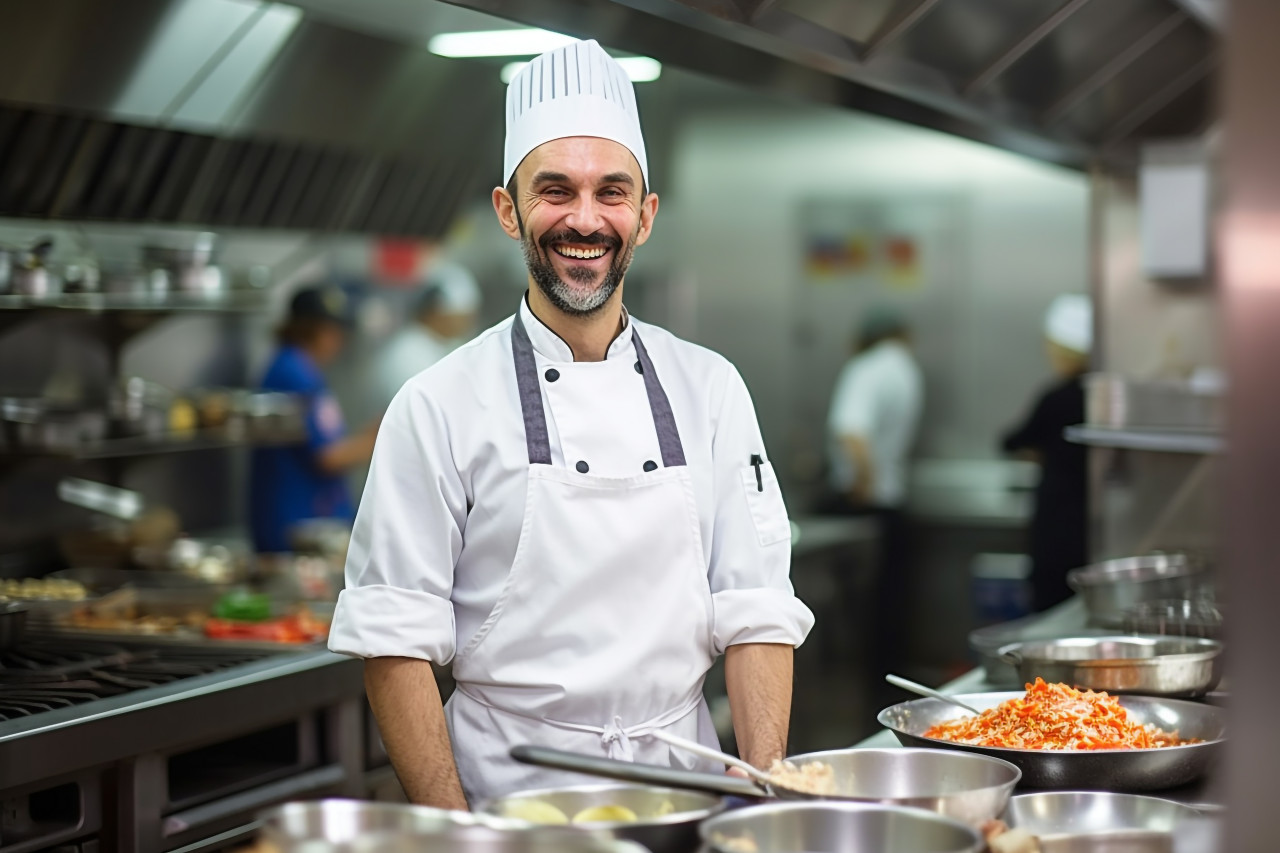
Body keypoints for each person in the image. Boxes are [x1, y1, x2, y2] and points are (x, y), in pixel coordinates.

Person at [328, 40, 814, 808]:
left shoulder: (711, 388)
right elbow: (394, 643)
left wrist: (767, 787)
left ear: (645, 215)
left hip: (682, 790)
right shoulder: (437, 404)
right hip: (507, 797)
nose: (585, 219)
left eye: (611, 192)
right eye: (554, 189)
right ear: (507, 209)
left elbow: (756, 610)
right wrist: (458, 832)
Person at [820, 307, 923, 679]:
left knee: (855, 609)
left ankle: (846, 682)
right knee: (889, 606)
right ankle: (884, 683)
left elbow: (851, 430)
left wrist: (863, 480)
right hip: (894, 504)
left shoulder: (866, 369)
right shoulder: (907, 370)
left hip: (865, 503)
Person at [249, 285, 380, 553]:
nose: (338, 340)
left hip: (311, 522)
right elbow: (328, 456)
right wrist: (381, 436)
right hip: (295, 528)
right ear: (308, 329)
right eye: (330, 331)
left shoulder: (301, 369)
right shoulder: (293, 372)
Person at [1001, 294, 1091, 612]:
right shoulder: (1103, 397)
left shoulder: (1055, 398)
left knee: (1051, 609)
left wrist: (1041, 449)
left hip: (1057, 524)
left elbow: (1011, 441)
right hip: (1094, 525)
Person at [375, 262, 482, 403]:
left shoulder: (443, 345)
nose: (469, 321)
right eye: (463, 314)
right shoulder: (408, 355)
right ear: (438, 311)